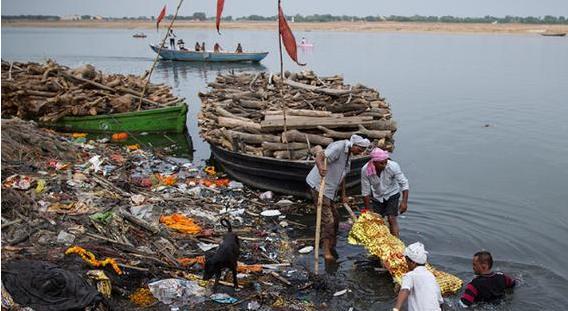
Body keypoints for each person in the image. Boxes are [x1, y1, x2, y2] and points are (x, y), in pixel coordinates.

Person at [306, 134, 370, 261]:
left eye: (363, 150)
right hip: (320, 186)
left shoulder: (348, 155)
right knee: (328, 221)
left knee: (336, 218)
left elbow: (343, 175)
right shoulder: (339, 147)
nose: (361, 152)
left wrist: (343, 194)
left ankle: (331, 243)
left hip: (330, 190)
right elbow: (320, 155)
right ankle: (326, 251)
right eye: (360, 149)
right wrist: (320, 168)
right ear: (354, 144)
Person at [361, 148, 409, 237]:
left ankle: (396, 244)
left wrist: (404, 202)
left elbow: (404, 183)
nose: (384, 165)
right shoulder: (365, 170)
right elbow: (365, 192)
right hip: (377, 196)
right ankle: (382, 244)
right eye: (381, 163)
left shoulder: (393, 166)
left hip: (392, 193)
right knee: (378, 221)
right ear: (374, 162)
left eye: (385, 162)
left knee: (391, 218)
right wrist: (368, 211)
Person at [394, 242, 443, 311]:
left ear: (413, 262)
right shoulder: (431, 277)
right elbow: (440, 301)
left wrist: (396, 309)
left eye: (407, 260)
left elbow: (405, 290)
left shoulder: (410, 275)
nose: (406, 263)